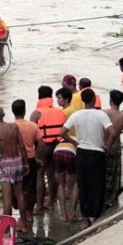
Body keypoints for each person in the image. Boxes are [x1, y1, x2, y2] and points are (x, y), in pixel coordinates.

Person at [60, 89, 116, 226]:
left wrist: (75, 142)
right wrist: (108, 146)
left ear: (83, 101)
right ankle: (95, 216)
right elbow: (113, 132)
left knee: (83, 184)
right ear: (94, 100)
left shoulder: (76, 115)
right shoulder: (101, 115)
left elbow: (62, 132)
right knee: (96, 185)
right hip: (97, 153)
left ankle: (85, 217)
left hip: (81, 153)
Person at [0, 106, 29, 232]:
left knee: (7, 198)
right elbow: (22, 146)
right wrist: (25, 164)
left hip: (6, 164)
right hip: (17, 161)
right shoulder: (14, 127)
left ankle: (6, 229)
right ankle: (24, 224)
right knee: (20, 195)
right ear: (4, 115)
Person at [30, 86, 66, 213]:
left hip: (42, 147)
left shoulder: (36, 113)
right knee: (52, 174)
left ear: (39, 96)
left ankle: (39, 206)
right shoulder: (60, 111)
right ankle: (51, 201)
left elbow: (32, 133)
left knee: (40, 175)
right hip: (57, 146)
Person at [12, 99, 44, 224]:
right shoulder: (33, 126)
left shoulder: (11, 127)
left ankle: (23, 215)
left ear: (13, 112)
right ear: (25, 111)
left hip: (16, 161)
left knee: (18, 191)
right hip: (30, 160)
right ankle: (29, 215)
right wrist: (38, 157)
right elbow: (41, 144)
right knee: (30, 189)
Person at [53, 87, 78, 221]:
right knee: (74, 182)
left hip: (61, 147)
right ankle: (72, 213)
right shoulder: (73, 110)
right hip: (72, 148)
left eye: (59, 98)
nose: (57, 100)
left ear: (66, 99)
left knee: (61, 184)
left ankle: (64, 215)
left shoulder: (65, 112)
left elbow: (61, 132)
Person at [103, 90, 123, 210]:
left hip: (103, 144)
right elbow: (117, 132)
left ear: (110, 100)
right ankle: (111, 199)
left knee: (102, 172)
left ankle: (102, 197)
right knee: (114, 173)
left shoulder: (103, 113)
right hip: (115, 145)